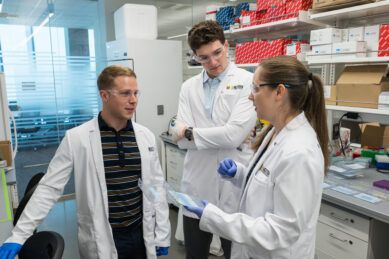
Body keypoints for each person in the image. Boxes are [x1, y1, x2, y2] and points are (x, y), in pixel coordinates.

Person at [0, 65, 170, 259]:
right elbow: (49, 188)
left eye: (135, 93)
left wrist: (162, 231)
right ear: (104, 96)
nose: (133, 100)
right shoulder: (77, 138)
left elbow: (156, 186)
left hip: (141, 234)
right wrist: (20, 234)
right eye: (125, 94)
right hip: (102, 237)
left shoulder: (145, 136)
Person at [186, 55, 329, 259]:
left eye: (256, 88)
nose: (250, 96)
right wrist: (241, 174)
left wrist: (217, 218)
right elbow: (271, 186)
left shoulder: (299, 151)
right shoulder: (276, 132)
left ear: (279, 92)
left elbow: (280, 231)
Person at [172, 20, 257, 259]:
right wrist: (225, 135)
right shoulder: (188, 87)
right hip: (197, 184)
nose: (213, 62)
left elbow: (233, 136)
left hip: (234, 185)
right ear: (195, 57)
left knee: (236, 254)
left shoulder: (248, 81)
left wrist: (188, 131)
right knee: (195, 254)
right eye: (204, 58)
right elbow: (179, 142)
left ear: (227, 45)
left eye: (217, 53)